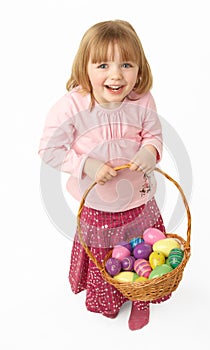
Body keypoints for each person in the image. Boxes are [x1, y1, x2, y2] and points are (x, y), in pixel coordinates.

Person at [38, 19, 171, 331]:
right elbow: (48, 149)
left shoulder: (142, 99)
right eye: (102, 65)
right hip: (100, 203)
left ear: (139, 69)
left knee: (143, 248)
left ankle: (141, 295)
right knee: (107, 254)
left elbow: (153, 135)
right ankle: (109, 296)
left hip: (139, 197)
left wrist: (149, 152)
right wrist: (87, 164)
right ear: (85, 68)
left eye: (126, 64)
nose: (115, 75)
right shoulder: (71, 106)